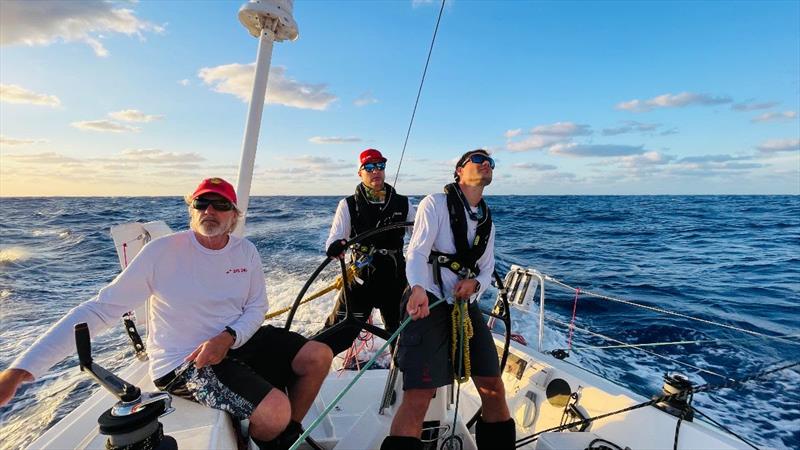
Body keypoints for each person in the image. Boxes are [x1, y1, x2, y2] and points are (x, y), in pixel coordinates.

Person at [0, 177, 333, 450]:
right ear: (191, 209)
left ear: (235, 215)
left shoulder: (245, 251)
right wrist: (21, 370)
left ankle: (286, 435)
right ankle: (268, 435)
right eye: (202, 203)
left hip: (232, 340)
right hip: (182, 360)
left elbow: (256, 307)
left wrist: (228, 336)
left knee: (318, 356)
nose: (210, 211)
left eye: (220, 205)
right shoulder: (161, 252)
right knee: (274, 410)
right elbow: (100, 310)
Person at [381, 150, 515, 450]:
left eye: (490, 162)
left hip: (464, 308)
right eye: (478, 158)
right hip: (427, 299)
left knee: (493, 387)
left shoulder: (486, 221)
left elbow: (487, 268)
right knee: (419, 394)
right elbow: (416, 252)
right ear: (458, 170)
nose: (486, 164)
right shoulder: (435, 204)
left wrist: (476, 284)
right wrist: (416, 288)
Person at [315, 149, 415, 358]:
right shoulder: (348, 205)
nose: (375, 171)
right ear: (360, 173)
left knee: (404, 341)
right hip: (361, 279)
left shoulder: (403, 204)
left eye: (379, 166)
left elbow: (421, 238)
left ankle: (404, 384)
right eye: (369, 167)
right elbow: (334, 239)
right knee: (338, 334)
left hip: (395, 279)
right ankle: (306, 365)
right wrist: (335, 246)